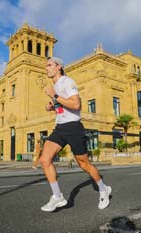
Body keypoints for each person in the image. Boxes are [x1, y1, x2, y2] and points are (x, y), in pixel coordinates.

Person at [40, 57, 112, 212]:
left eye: (49, 65)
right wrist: (52, 106)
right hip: (60, 128)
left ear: (59, 66)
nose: (46, 68)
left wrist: (55, 96)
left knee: (84, 164)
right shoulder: (56, 85)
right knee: (45, 159)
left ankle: (103, 189)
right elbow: (62, 105)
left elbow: (76, 104)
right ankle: (57, 196)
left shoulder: (67, 82)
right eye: (46, 66)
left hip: (73, 128)